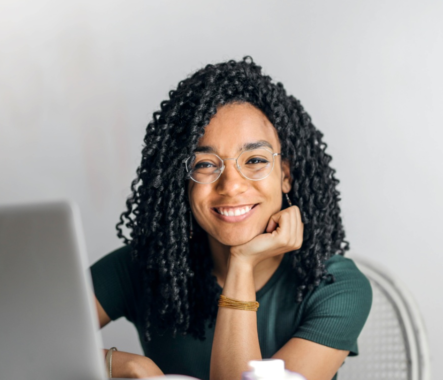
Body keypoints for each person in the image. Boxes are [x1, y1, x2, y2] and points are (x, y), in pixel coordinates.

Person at [90, 57, 372, 380]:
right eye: (205, 164)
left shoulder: (335, 287)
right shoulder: (147, 266)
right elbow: (26, 339)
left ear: (286, 175)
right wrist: (124, 365)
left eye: (254, 159)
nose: (232, 185)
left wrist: (241, 263)